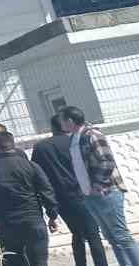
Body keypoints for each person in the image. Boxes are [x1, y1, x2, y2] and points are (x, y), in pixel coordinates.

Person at [61, 106, 139, 266]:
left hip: (107, 192)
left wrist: (97, 185)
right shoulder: (74, 138)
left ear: (70, 121)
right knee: (111, 237)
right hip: (89, 195)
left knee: (121, 236)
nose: (61, 124)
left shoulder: (92, 135)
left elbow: (107, 161)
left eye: (62, 120)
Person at [30, 114, 108, 266]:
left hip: (61, 199)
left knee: (77, 233)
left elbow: (37, 175)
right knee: (93, 234)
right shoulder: (75, 142)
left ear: (52, 127)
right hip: (83, 194)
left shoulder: (41, 147)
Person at [0, 130, 58, 266]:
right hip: (33, 220)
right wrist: (52, 215)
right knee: (39, 262)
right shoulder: (30, 165)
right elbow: (46, 190)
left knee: (14, 262)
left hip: (7, 224)